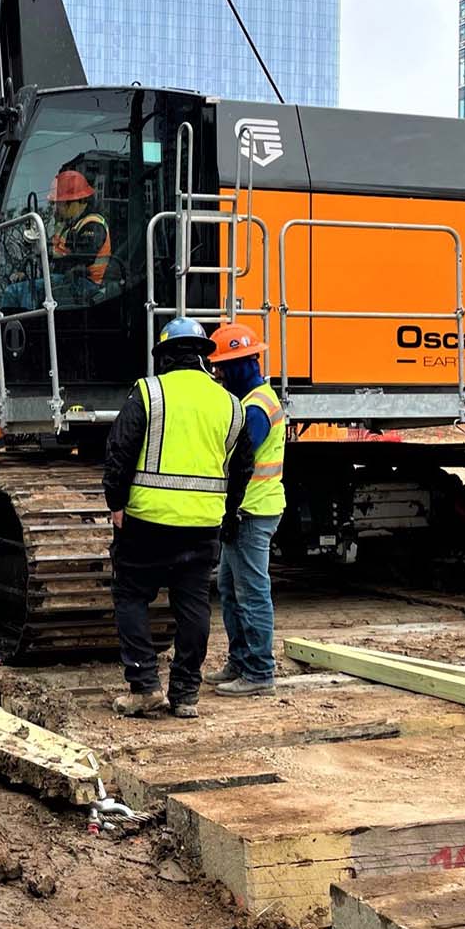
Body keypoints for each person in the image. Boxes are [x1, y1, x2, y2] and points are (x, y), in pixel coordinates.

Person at [100, 317, 255, 719]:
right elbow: (242, 466)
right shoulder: (231, 404)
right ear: (203, 357)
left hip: (147, 523)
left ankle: (145, 686)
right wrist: (228, 508)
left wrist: (116, 503)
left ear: (165, 356)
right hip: (202, 526)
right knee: (193, 606)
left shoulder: (150, 393)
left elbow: (119, 450)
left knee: (132, 596)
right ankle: (185, 693)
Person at [205, 322, 284, 697]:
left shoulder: (258, 408)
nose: (217, 375)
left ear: (239, 365)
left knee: (251, 593)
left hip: (252, 510)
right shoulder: (248, 401)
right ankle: (240, 662)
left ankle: (259, 672)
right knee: (231, 589)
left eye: (221, 367)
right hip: (244, 509)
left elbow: (239, 459)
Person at [47, 169, 113, 289]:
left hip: (89, 285)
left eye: (59, 203)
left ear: (74, 203)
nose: (56, 208)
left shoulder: (93, 224)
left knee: (16, 291)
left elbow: (82, 258)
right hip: (74, 280)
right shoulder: (71, 225)